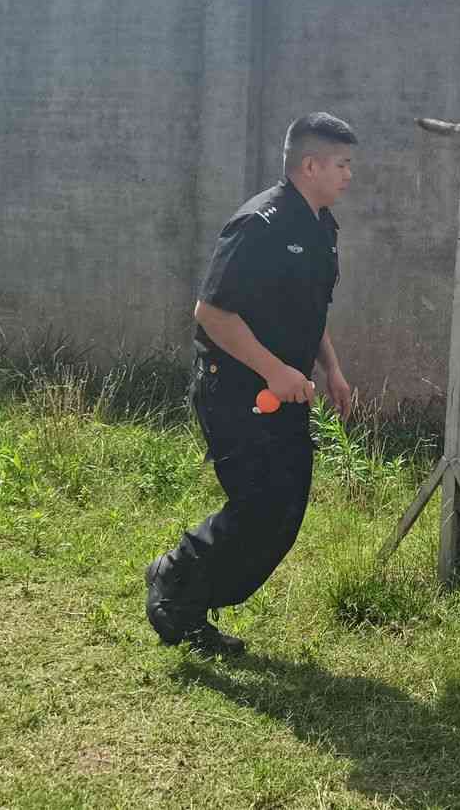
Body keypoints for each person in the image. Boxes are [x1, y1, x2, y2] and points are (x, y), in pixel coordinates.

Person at [145, 112, 357, 656]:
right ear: (309, 165)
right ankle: (175, 580)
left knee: (284, 509)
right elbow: (211, 313)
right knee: (259, 504)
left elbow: (309, 311)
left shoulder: (321, 226)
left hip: (287, 390)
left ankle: (191, 598)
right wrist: (275, 370)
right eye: (341, 164)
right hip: (236, 390)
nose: (348, 175)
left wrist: (329, 368)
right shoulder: (258, 224)